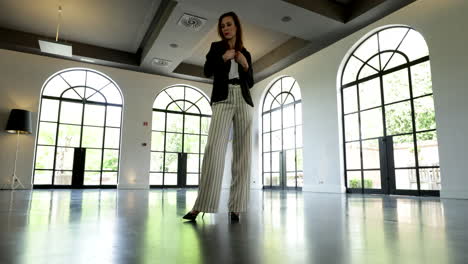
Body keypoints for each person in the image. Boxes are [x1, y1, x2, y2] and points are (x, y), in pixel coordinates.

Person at [182, 11, 254, 222]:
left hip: (243, 99)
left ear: (236, 26)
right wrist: (222, 59)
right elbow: (206, 71)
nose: (225, 28)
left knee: (243, 155)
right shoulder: (216, 48)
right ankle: (201, 205)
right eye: (222, 25)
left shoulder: (246, 53)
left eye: (229, 24)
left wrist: (245, 64)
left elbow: (249, 82)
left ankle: (236, 207)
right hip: (222, 99)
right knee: (214, 150)